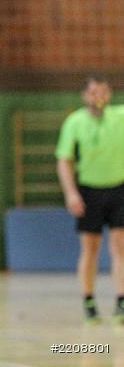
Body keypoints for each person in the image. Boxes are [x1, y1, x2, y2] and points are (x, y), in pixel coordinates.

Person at [56, 75, 124, 324]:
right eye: (94, 92)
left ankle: (121, 300)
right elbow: (64, 160)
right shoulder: (74, 122)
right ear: (85, 96)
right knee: (91, 247)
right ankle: (89, 300)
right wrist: (71, 192)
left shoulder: (120, 116)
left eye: (104, 92)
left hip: (119, 188)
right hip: (89, 190)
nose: (99, 97)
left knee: (120, 245)